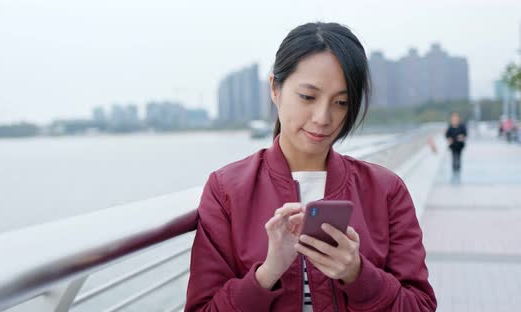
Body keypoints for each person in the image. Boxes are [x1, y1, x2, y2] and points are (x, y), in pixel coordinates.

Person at [185, 22, 437, 312]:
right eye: (307, 97)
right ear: (275, 89)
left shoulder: (386, 190)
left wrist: (357, 274)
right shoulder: (227, 190)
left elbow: (420, 306)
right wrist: (267, 273)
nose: (323, 117)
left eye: (341, 102)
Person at [445, 112, 467, 176]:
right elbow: (447, 135)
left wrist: (462, 137)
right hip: (453, 145)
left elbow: (465, 134)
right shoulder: (450, 126)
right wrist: (449, 138)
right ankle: (454, 170)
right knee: (454, 156)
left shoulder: (461, 126)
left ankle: (458, 169)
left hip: (460, 144)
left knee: (459, 157)